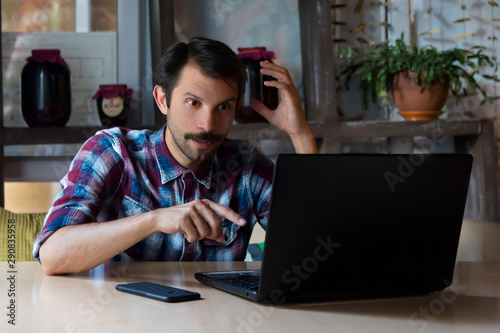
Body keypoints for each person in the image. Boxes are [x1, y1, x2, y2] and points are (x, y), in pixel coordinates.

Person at [34, 37, 318, 275]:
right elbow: (53, 255)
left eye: (223, 107)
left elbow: (311, 243)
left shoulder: (245, 163)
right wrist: (154, 220)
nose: (207, 125)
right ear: (162, 100)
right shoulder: (113, 151)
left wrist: (301, 135)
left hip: (218, 322)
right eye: (193, 103)